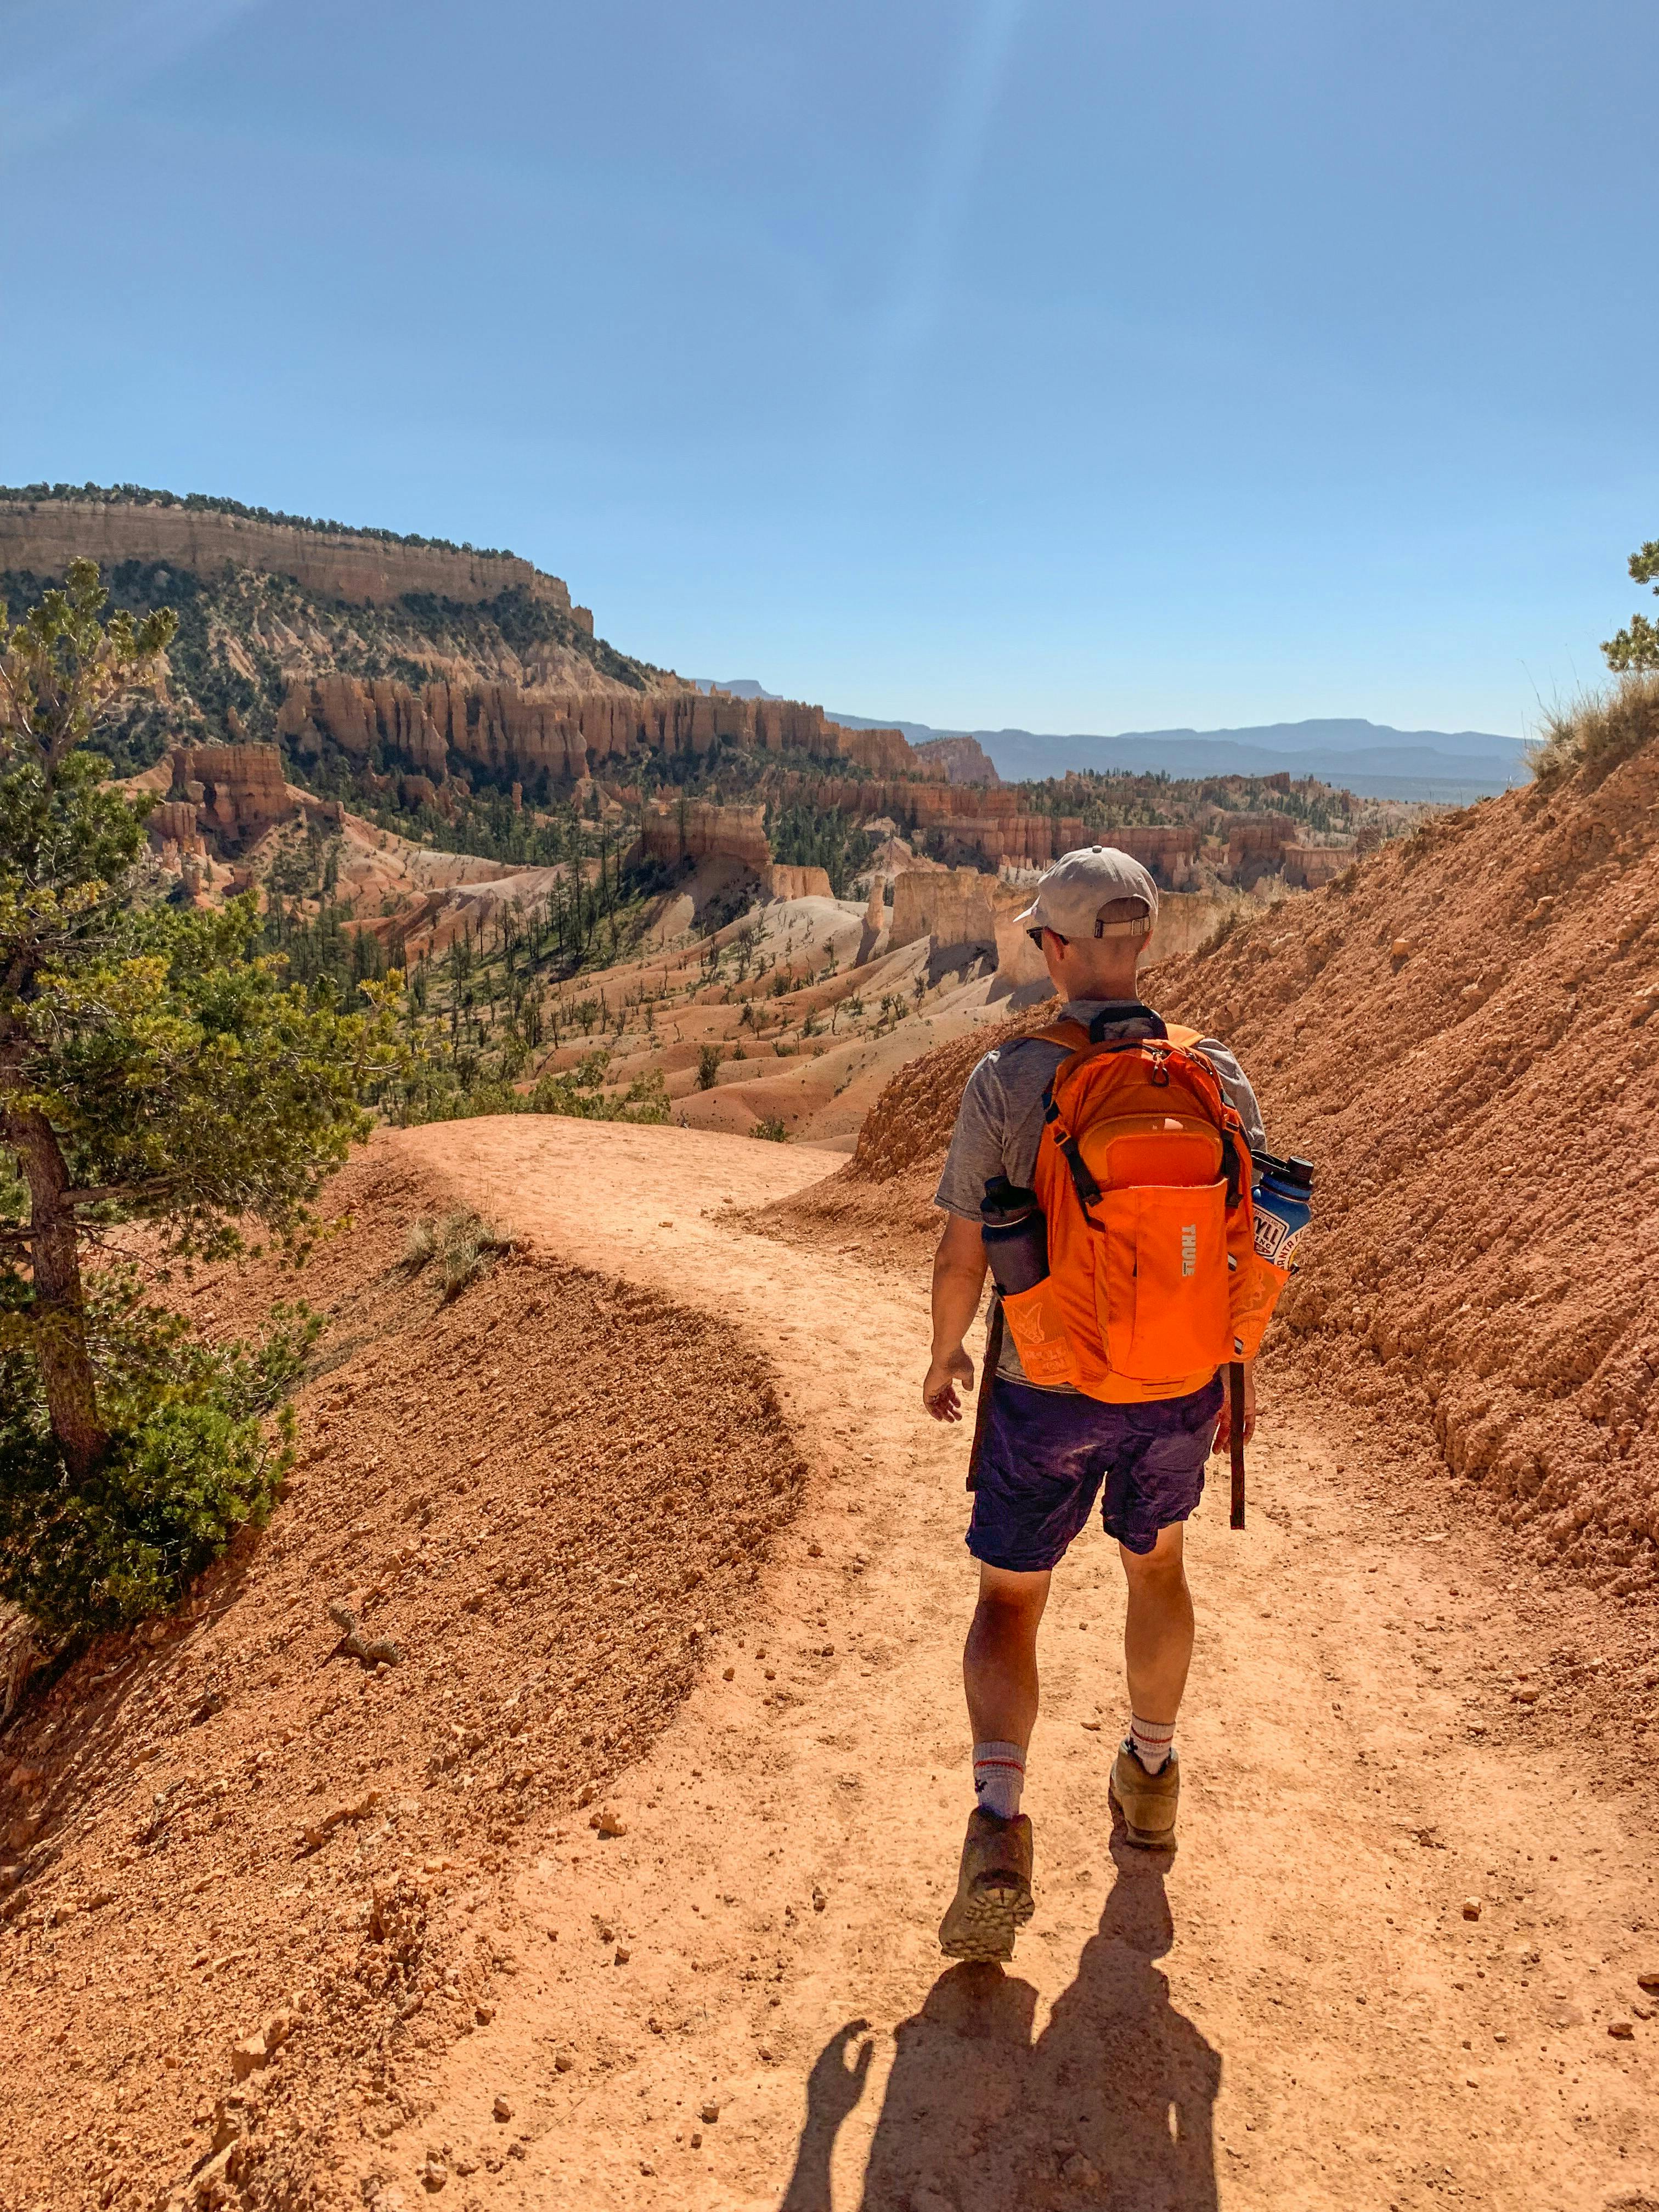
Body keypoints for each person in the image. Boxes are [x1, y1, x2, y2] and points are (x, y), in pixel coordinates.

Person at [923, 845, 1267, 1962]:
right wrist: (1229, 1372)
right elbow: (1244, 1245)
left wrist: (942, 1359)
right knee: (1156, 1567)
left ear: (1058, 950)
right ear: (1147, 943)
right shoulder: (1216, 1072)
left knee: (1012, 1602)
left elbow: (961, 1252)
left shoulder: (1009, 1078)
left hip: (1047, 1383)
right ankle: (1152, 1775)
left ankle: (998, 1819)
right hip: (1177, 1384)